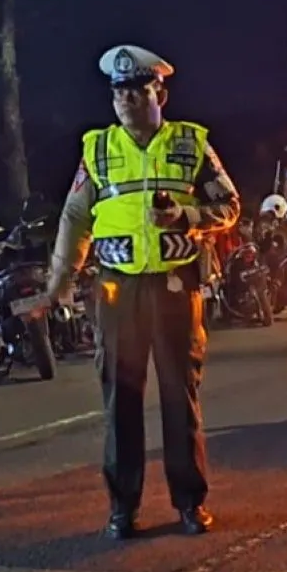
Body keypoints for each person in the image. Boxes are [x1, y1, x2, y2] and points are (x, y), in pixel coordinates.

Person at [41, 44, 241, 540]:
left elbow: (231, 205)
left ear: (161, 93)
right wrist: (60, 281)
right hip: (117, 290)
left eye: (137, 89)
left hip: (175, 288)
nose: (127, 99)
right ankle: (122, 508)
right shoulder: (98, 149)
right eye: (118, 92)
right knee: (120, 401)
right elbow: (75, 217)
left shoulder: (192, 145)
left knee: (181, 398)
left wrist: (188, 217)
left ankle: (190, 504)